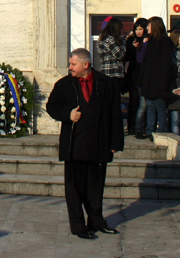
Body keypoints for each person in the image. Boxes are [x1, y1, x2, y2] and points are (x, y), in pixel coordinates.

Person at [45, 48, 123, 240]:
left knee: (95, 187)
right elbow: (51, 106)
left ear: (85, 64)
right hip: (75, 145)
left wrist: (115, 141)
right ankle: (78, 226)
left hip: (99, 143)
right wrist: (68, 114)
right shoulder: (64, 84)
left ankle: (96, 221)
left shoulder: (106, 83)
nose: (70, 67)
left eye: (73, 64)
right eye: (70, 64)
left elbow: (115, 114)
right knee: (74, 189)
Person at [137, 16, 176, 137]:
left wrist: (163, 83)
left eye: (149, 25)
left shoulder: (165, 42)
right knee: (150, 107)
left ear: (155, 26)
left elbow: (167, 65)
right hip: (149, 82)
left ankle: (161, 132)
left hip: (160, 83)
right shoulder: (149, 42)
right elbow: (141, 60)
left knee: (160, 107)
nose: (147, 28)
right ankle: (150, 131)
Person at [124, 18, 147, 137]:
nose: (138, 32)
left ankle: (142, 127)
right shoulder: (131, 40)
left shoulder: (148, 40)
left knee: (144, 104)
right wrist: (133, 48)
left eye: (140, 29)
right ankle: (132, 127)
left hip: (144, 74)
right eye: (136, 29)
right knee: (134, 102)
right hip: (133, 74)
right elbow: (126, 57)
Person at [96, 17, 126, 99]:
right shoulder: (110, 39)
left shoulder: (103, 38)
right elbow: (119, 55)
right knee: (114, 99)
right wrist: (123, 42)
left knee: (109, 99)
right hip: (112, 73)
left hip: (107, 72)